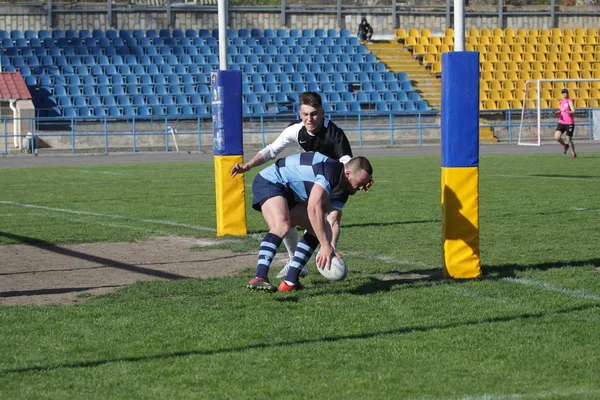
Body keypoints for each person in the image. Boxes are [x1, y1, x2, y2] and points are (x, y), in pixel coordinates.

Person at [231, 91, 362, 279]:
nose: (310, 119)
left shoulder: (335, 134)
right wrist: (249, 165)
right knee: (287, 217)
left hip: (332, 182)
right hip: (309, 179)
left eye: (314, 114)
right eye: (305, 114)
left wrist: (354, 183)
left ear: (322, 113)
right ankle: (295, 263)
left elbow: (348, 164)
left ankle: (329, 253)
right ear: (300, 114)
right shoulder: (295, 130)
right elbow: (271, 150)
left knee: (332, 218)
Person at [246, 152, 373, 292]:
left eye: (365, 183)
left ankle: (290, 281)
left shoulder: (344, 189)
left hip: (290, 192)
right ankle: (259, 277)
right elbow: (313, 208)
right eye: (361, 183)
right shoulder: (331, 170)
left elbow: (333, 221)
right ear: (348, 173)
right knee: (282, 226)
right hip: (271, 180)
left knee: (319, 228)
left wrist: (330, 248)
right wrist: (324, 244)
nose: (362, 188)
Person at [554, 88, 577, 159]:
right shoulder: (561, 102)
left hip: (569, 123)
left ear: (567, 94)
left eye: (565, 93)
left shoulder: (569, 101)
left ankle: (573, 153)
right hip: (561, 122)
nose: (564, 94)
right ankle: (565, 145)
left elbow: (573, 111)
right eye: (563, 93)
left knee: (569, 140)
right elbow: (561, 111)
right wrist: (558, 112)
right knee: (557, 137)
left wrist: (567, 111)